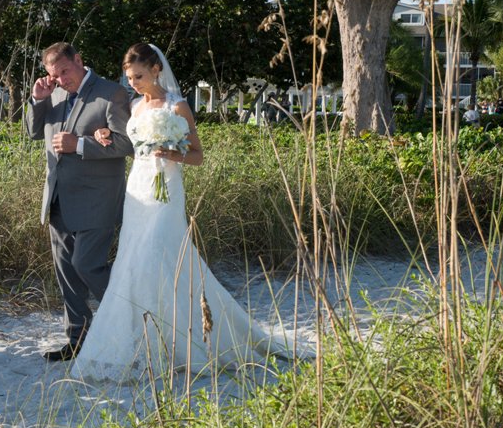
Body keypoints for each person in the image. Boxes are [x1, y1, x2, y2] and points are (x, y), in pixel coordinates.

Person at [72, 43, 300, 383]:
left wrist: (169, 152)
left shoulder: (177, 106)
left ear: (155, 70)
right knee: (133, 262)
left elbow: (197, 156)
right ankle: (143, 338)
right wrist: (103, 134)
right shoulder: (133, 106)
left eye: (138, 76)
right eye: (129, 77)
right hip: (138, 190)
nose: (133, 83)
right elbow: (130, 147)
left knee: (156, 254)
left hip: (167, 192)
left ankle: (180, 339)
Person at [24, 42, 133, 362]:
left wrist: (81, 145)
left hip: (97, 198)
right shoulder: (53, 94)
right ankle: (78, 339)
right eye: (54, 75)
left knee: (87, 265)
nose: (61, 79)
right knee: (67, 275)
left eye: (65, 71)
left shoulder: (111, 93)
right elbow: (33, 132)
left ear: (79, 60)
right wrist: (37, 100)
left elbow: (128, 143)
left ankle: (132, 319)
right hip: (58, 196)